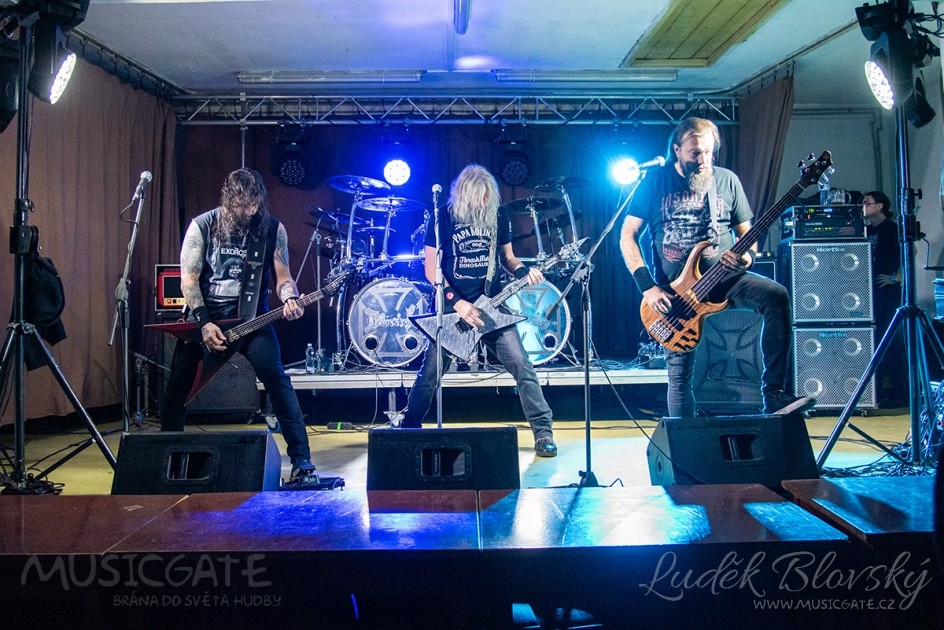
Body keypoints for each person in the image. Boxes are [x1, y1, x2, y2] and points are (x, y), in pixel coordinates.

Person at [619, 117, 814, 418]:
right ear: (676, 150)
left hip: (725, 278)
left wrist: (747, 258)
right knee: (680, 374)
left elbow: (748, 237)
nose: (703, 160)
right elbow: (627, 236)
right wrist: (648, 287)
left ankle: (774, 393)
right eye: (695, 153)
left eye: (709, 152)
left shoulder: (727, 180)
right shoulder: (654, 182)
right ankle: (684, 439)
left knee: (777, 296)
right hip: (677, 292)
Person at [161, 168, 314, 478]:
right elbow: (188, 280)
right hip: (207, 318)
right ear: (228, 200)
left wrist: (289, 298)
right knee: (178, 385)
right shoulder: (203, 225)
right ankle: (168, 461)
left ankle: (302, 461)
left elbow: (284, 278)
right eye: (243, 206)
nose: (250, 211)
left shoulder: (272, 229)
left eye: (254, 204)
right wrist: (205, 323)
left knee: (277, 380)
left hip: (252, 319)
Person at [399, 164, 558, 457]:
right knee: (430, 372)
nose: (484, 203)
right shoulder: (442, 217)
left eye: (488, 197)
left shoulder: (498, 215)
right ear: (465, 194)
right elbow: (431, 268)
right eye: (479, 197)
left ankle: (543, 433)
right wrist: (457, 303)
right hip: (453, 311)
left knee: (522, 365)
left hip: (492, 308)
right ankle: (408, 429)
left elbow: (508, 258)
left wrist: (525, 272)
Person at [863, 190, 905, 407]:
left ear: (880, 206)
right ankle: (878, 390)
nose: (863, 206)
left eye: (867, 203)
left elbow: (910, 253)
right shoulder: (868, 230)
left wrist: (895, 278)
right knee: (875, 340)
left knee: (890, 340)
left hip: (887, 293)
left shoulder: (892, 228)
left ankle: (900, 393)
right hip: (872, 293)